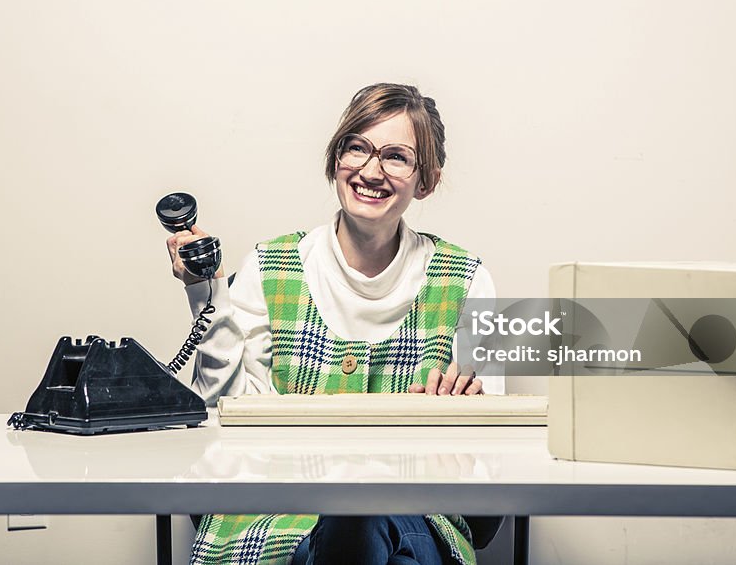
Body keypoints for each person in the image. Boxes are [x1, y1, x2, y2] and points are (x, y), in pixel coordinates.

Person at [167, 83, 502, 565]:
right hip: (277, 519)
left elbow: (493, 465)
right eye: (357, 147)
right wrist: (207, 295)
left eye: (396, 157)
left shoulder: (470, 280)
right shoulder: (269, 265)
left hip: (415, 517)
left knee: (361, 512)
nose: (370, 170)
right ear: (336, 158)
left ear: (425, 180)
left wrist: (462, 425)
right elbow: (227, 425)